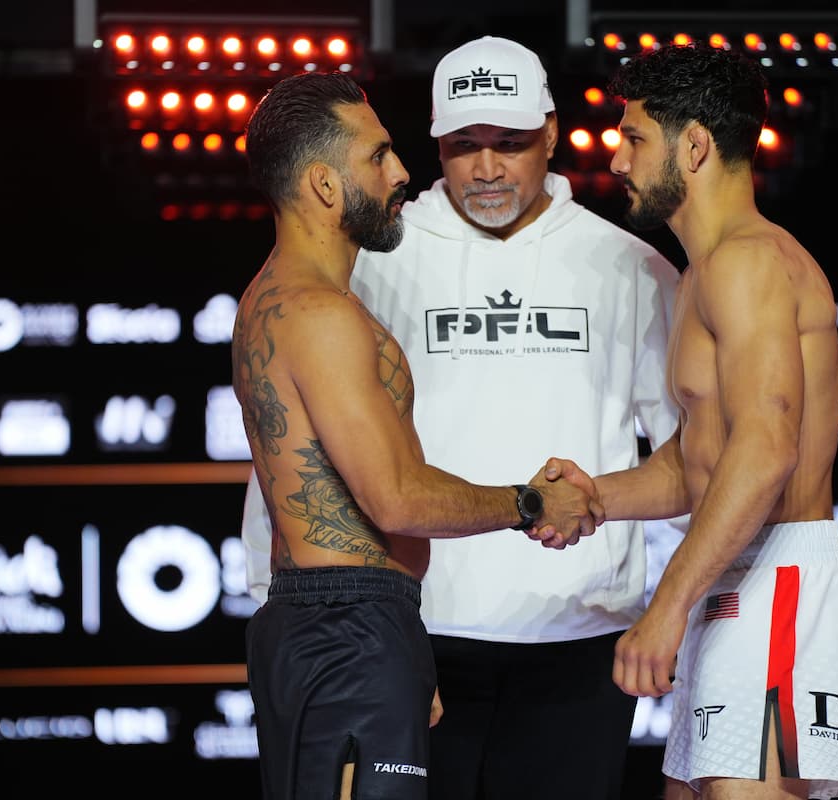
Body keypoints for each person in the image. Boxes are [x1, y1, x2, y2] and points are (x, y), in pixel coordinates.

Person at [241, 36, 683, 800]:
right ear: (434, 140)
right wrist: (281, 598)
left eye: (509, 144)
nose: (485, 168)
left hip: (580, 639)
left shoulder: (631, 266)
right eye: (462, 145)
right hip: (418, 631)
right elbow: (291, 448)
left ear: (552, 132)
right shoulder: (367, 255)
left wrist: (675, 608)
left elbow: (689, 452)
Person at [538, 44, 838, 799]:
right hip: (735, 576)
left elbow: (765, 450)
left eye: (634, 139)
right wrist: (598, 497)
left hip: (779, 578)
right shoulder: (700, 274)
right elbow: (702, 461)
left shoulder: (748, 264)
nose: (616, 162)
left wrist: (666, 605)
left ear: (693, 145)